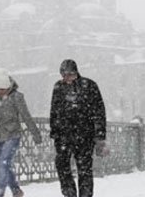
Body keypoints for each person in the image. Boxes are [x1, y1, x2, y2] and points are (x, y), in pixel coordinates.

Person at [0, 68, 42, 197]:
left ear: (8, 88)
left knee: (3, 162)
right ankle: (16, 191)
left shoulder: (17, 97)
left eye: (2, 91)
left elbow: (26, 116)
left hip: (12, 136)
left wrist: (36, 134)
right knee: (4, 165)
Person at [50, 59, 107, 197]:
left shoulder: (89, 86)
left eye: (70, 74)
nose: (67, 78)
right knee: (62, 165)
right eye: (64, 75)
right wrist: (55, 132)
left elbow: (99, 111)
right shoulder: (58, 87)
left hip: (85, 135)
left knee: (84, 169)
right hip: (64, 135)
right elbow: (54, 111)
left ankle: (85, 195)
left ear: (76, 73)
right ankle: (69, 193)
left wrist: (100, 135)